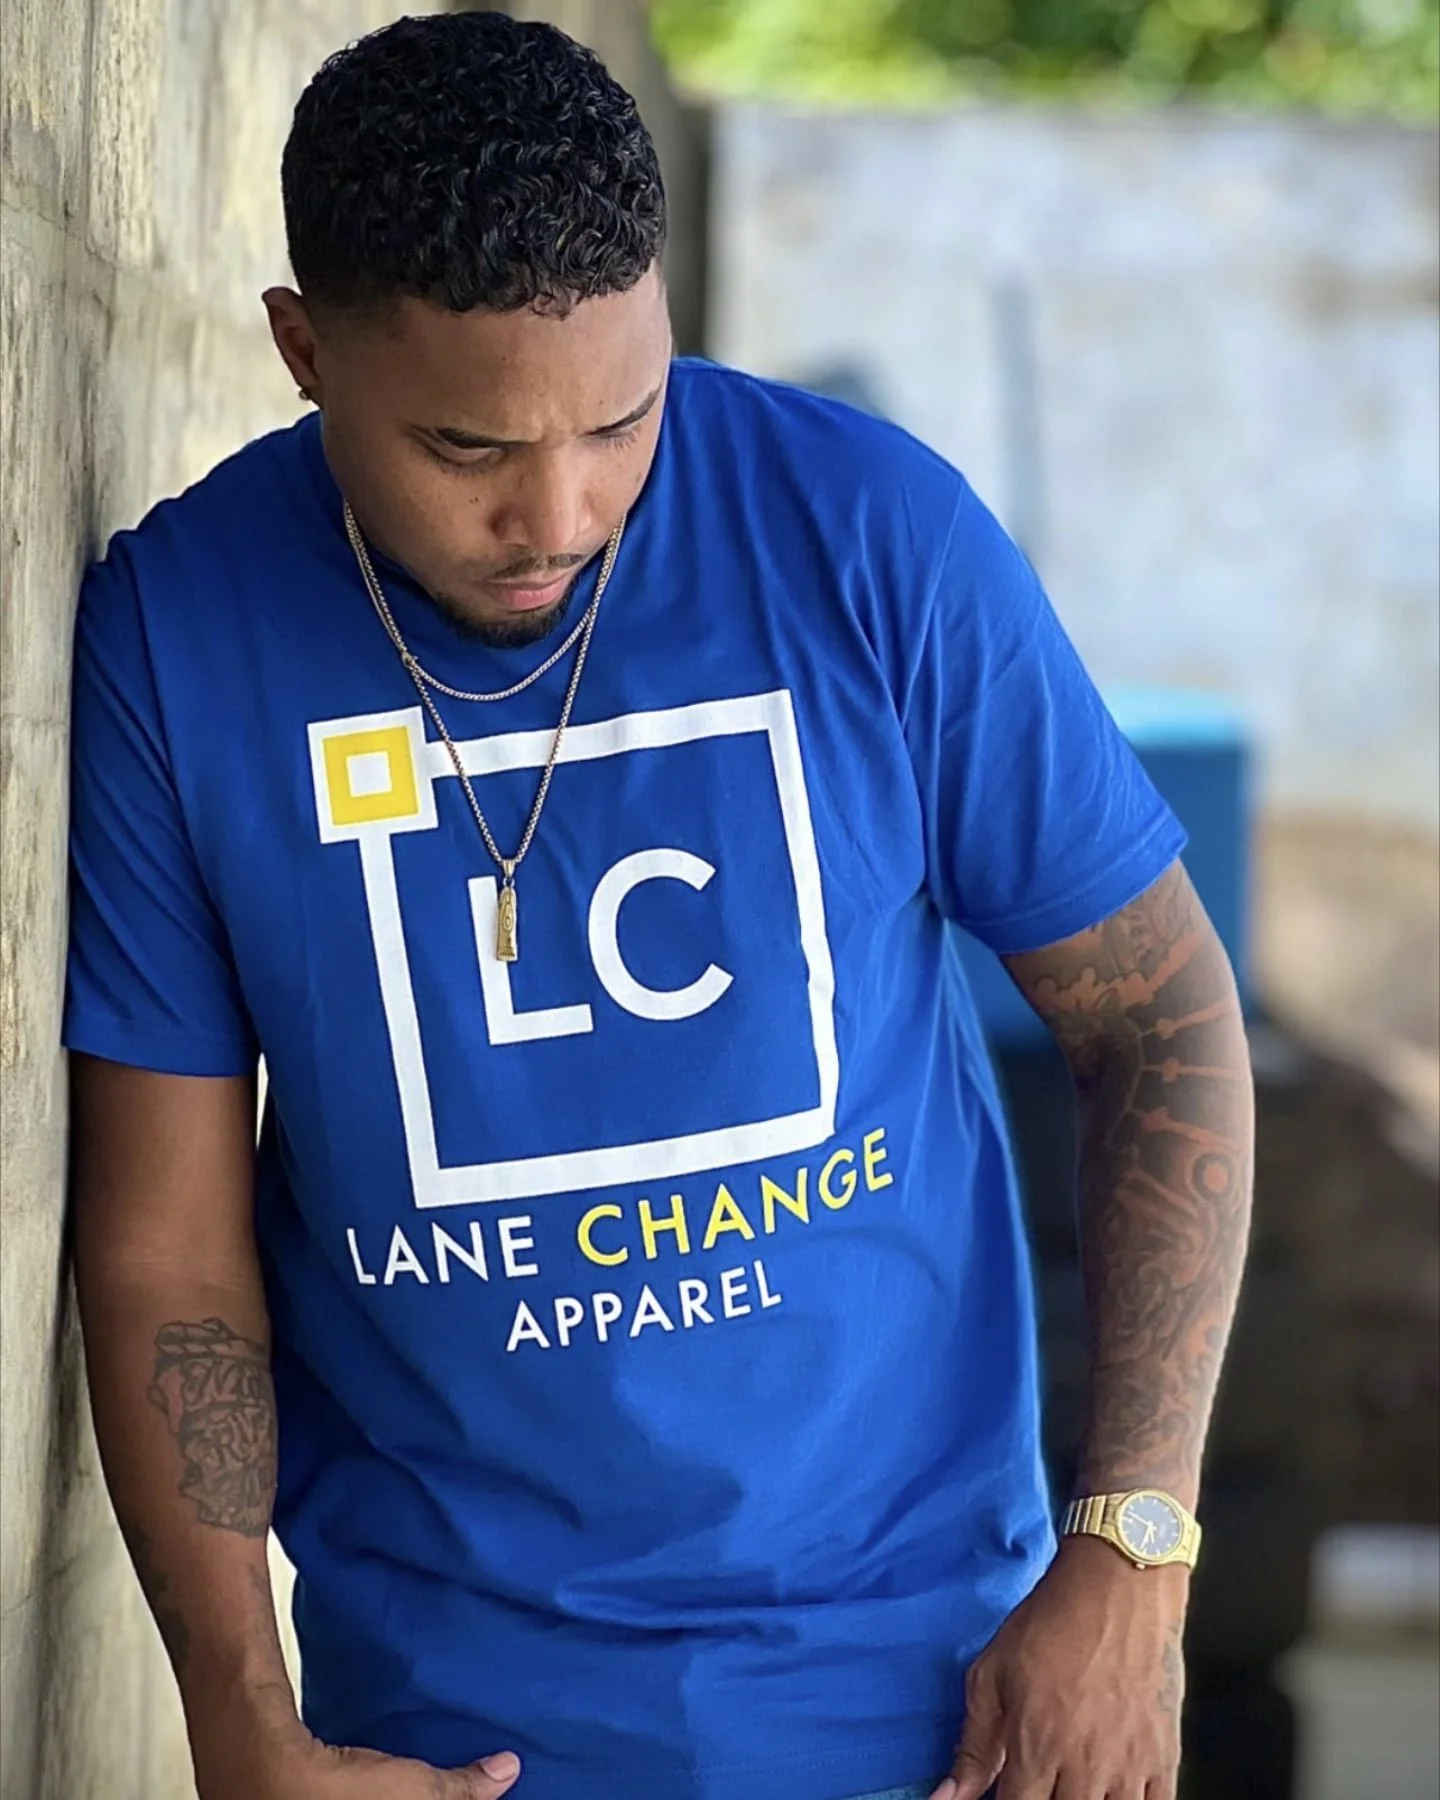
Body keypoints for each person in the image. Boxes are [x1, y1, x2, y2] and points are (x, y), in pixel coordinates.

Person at [64, 14, 1253, 1800]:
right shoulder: (182, 638)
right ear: (304, 352)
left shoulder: (873, 540)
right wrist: (238, 1709)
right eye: (465, 447)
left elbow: (1160, 1021)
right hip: (457, 1739)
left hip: (942, 1715)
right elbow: (167, 1244)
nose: (557, 514)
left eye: (623, 418)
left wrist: (1137, 1547)